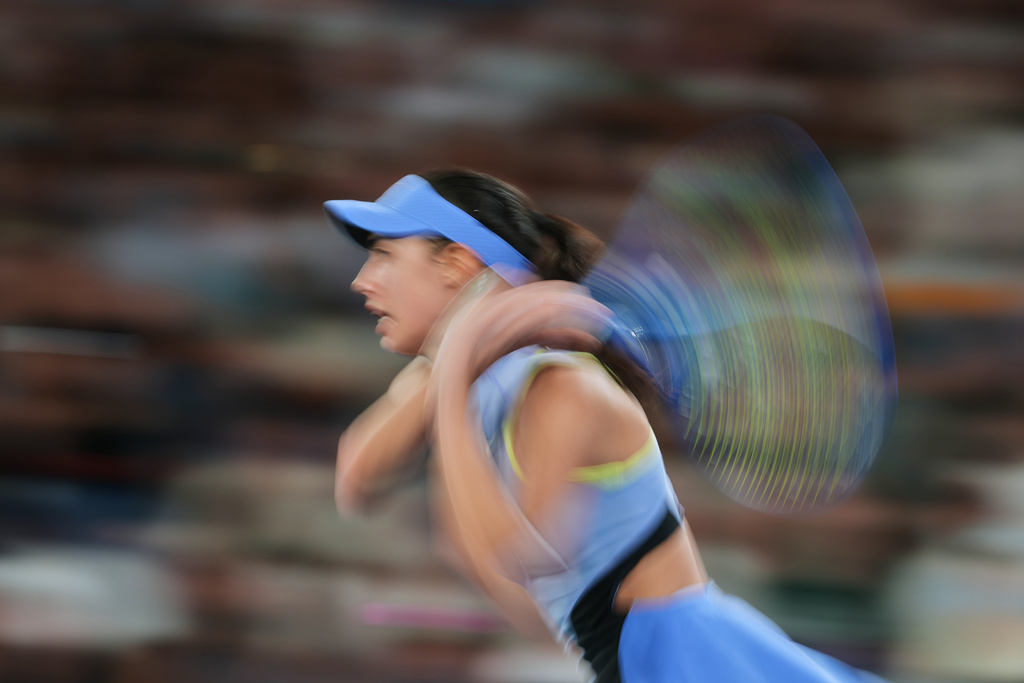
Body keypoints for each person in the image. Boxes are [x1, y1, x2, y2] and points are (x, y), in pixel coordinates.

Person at [324, 169, 887, 683]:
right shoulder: (461, 375)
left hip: (689, 664)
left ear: (455, 263)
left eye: (383, 254)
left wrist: (455, 370)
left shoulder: (562, 387)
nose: (362, 280)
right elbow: (357, 478)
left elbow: (514, 562)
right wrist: (456, 361)